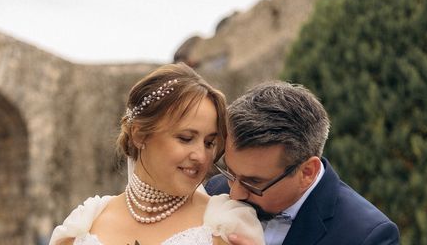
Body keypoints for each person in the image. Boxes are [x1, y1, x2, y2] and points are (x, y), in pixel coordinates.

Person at [49, 63, 265, 245]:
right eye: (186, 138)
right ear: (140, 135)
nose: (201, 156)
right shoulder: (84, 222)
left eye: (209, 143)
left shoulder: (228, 223)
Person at [205, 81, 399, 245]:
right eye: (230, 172)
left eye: (253, 183)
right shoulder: (214, 190)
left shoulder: (367, 236)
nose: (234, 193)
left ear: (307, 172)